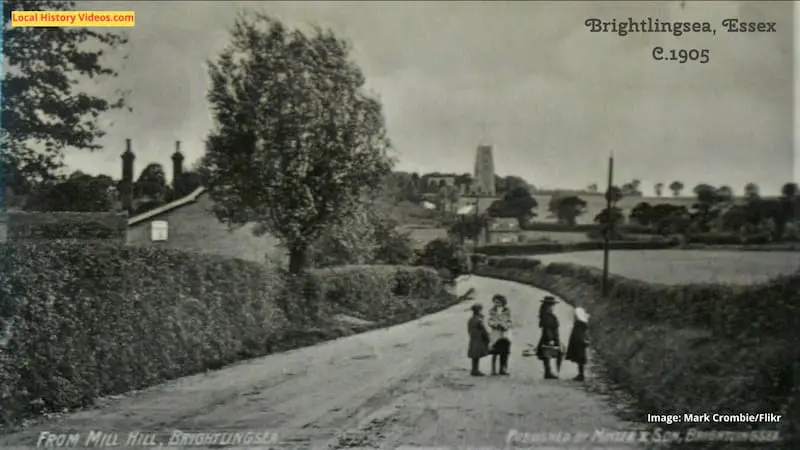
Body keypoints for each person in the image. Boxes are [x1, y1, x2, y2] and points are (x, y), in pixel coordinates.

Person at [536, 296, 560, 379]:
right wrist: (551, 339)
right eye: (552, 305)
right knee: (547, 354)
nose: (553, 307)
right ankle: (547, 372)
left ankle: (548, 371)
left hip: (548, 336)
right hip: (548, 336)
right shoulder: (547, 316)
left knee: (547, 354)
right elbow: (548, 328)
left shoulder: (546, 315)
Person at [488, 294, 512, 376]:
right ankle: (493, 370)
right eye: (495, 302)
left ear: (503, 302)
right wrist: (494, 324)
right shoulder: (492, 310)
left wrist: (506, 326)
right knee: (494, 351)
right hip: (496, 333)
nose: (497, 304)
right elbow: (490, 321)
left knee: (504, 352)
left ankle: (503, 369)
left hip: (504, 333)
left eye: (498, 302)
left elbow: (509, 321)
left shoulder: (507, 310)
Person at [566, 306, 590, 381]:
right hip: (580, 343)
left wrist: (578, 341)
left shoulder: (579, 325)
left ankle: (581, 374)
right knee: (580, 359)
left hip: (579, 344)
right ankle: (580, 374)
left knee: (580, 358)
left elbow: (579, 335)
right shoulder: (582, 324)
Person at [467, 302, 490, 376]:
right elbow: (483, 330)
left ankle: (474, 369)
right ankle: (475, 370)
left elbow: (469, 329)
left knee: (474, 355)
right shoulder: (478, 320)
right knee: (476, 354)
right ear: (479, 311)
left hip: (473, 338)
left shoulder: (471, 319)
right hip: (478, 338)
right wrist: (487, 338)